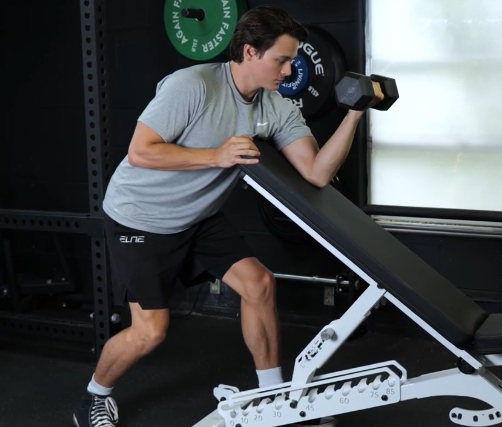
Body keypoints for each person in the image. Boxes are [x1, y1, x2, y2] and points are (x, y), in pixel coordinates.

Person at [73, 5, 372, 427]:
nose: (289, 71)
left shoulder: (276, 106)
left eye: (292, 60)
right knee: (151, 331)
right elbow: (141, 152)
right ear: (250, 52)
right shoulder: (192, 85)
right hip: (140, 220)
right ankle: (94, 397)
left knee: (259, 283)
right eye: (281, 60)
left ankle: (274, 400)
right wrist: (215, 155)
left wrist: (356, 111)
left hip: (199, 216)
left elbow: (317, 173)